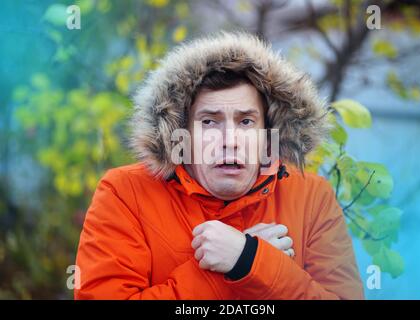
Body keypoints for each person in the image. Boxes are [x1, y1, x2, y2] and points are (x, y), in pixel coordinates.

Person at [74, 32, 364, 300]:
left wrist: (250, 259)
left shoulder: (311, 197)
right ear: (181, 135)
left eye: (246, 121)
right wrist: (222, 275)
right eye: (209, 121)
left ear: (268, 135)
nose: (230, 141)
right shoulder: (126, 193)